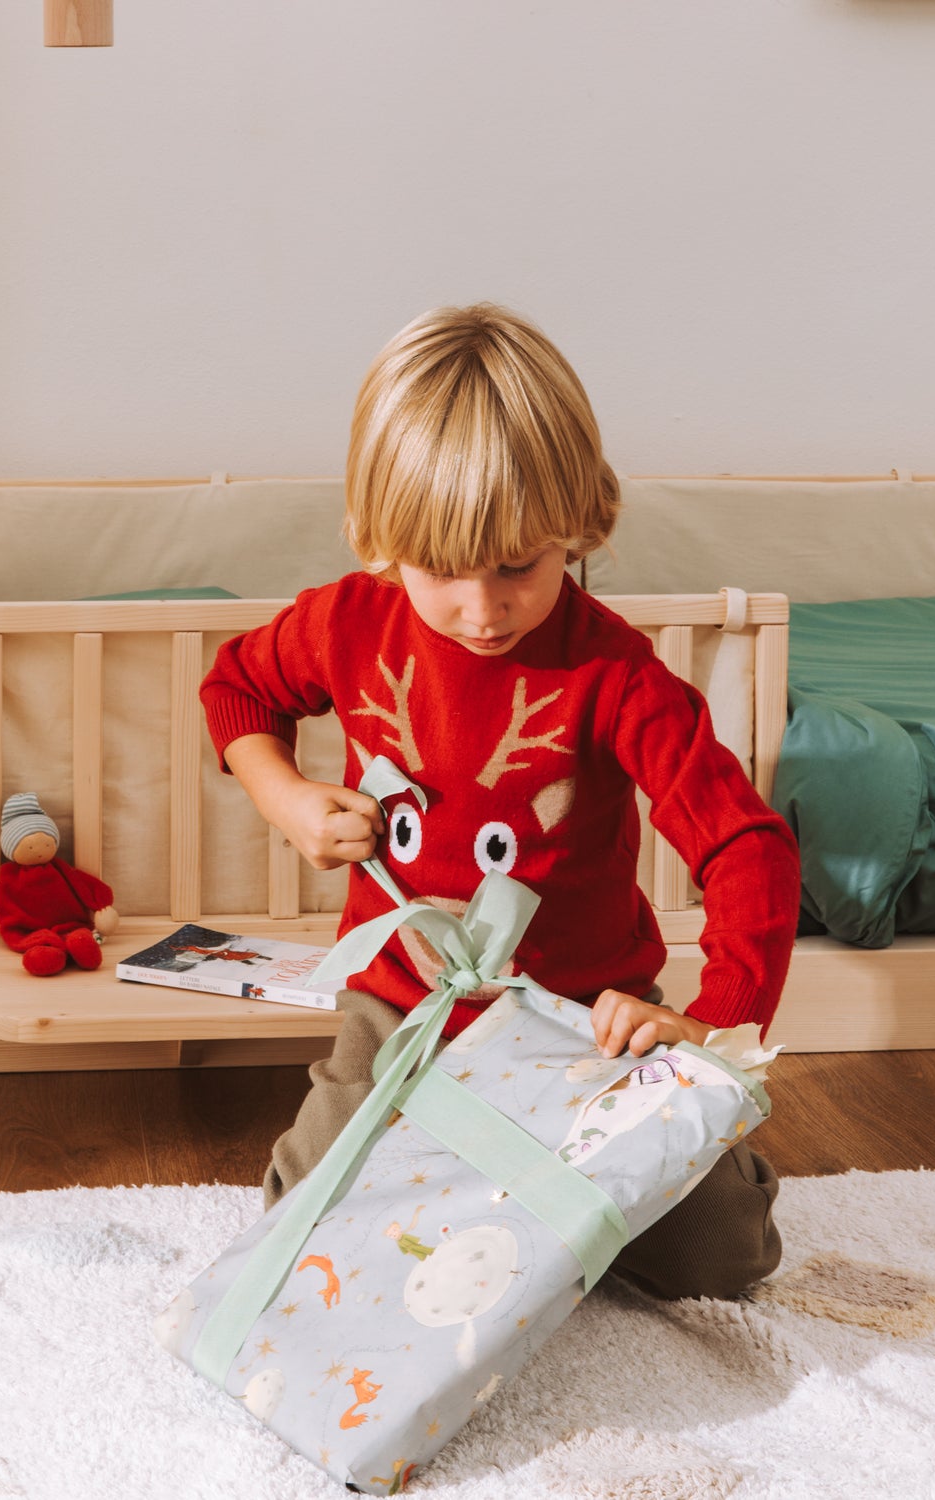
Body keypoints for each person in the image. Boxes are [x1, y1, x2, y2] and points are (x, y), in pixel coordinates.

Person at [200, 303, 800, 1300]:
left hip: (580, 1027)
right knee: (296, 1224)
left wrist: (713, 1027)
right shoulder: (348, 624)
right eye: (442, 571)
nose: (484, 611)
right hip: (399, 1005)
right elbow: (238, 689)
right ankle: (488, 1175)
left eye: (519, 565)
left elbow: (750, 850)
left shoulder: (617, 676)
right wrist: (289, 797)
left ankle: (610, 1169)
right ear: (381, 540)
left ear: (577, 524)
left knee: (718, 1261)